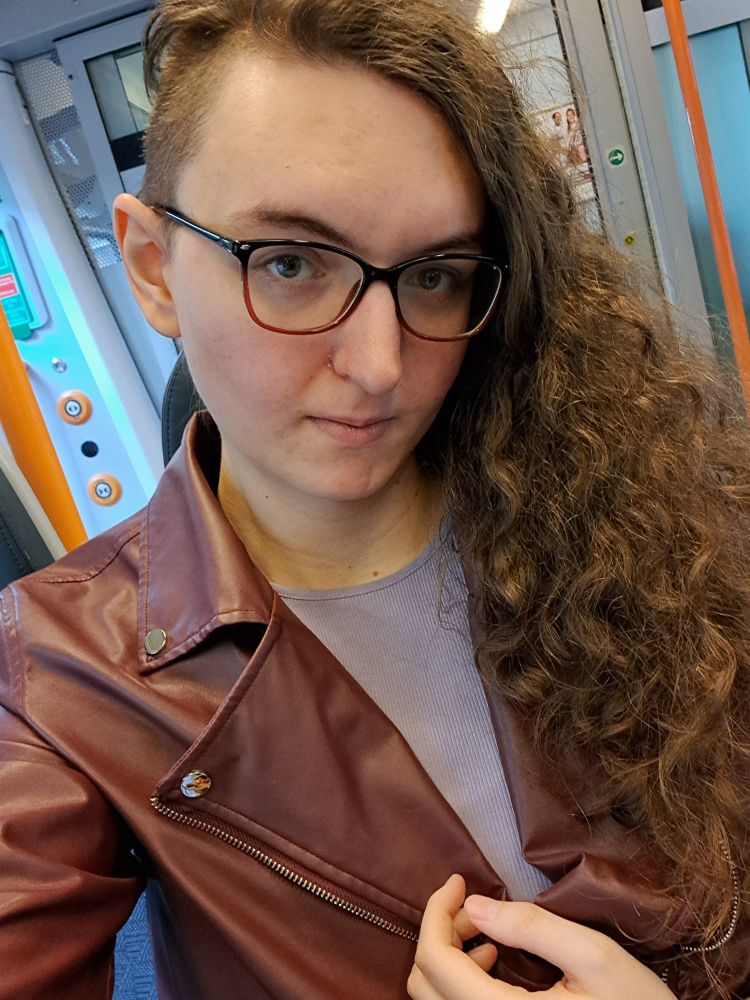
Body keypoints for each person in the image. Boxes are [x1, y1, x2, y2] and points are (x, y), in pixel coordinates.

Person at [1, 0, 749, 997]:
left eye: (435, 275)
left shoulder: (651, 515)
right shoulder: (57, 672)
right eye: (292, 264)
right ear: (153, 268)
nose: (381, 364)